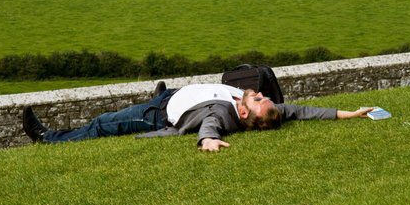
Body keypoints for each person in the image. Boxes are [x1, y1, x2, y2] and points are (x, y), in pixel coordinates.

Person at [22, 81, 373, 152]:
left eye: (261, 100)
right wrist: (352, 114)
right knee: (164, 92)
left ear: (244, 112)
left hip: (156, 115)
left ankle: (48, 139)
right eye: (265, 97)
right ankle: (161, 93)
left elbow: (209, 124)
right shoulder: (249, 103)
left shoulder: (223, 112)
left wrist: (208, 140)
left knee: (103, 124)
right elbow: (304, 111)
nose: (263, 94)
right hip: (172, 98)